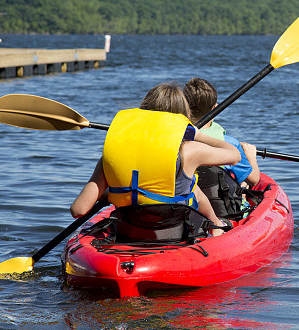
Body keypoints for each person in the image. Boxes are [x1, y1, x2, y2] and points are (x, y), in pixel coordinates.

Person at [70, 82, 241, 237]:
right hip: (176, 234)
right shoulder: (189, 151)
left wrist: (109, 193)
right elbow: (235, 155)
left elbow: (79, 209)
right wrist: (198, 135)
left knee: (193, 187)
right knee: (191, 187)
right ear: (182, 116)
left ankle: (216, 225)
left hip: (128, 234)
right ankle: (216, 226)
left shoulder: (111, 156)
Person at [183, 77, 261, 217]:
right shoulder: (229, 144)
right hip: (224, 211)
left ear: (184, 107)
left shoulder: (175, 140)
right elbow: (254, 179)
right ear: (215, 108)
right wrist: (251, 157)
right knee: (245, 184)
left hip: (189, 210)